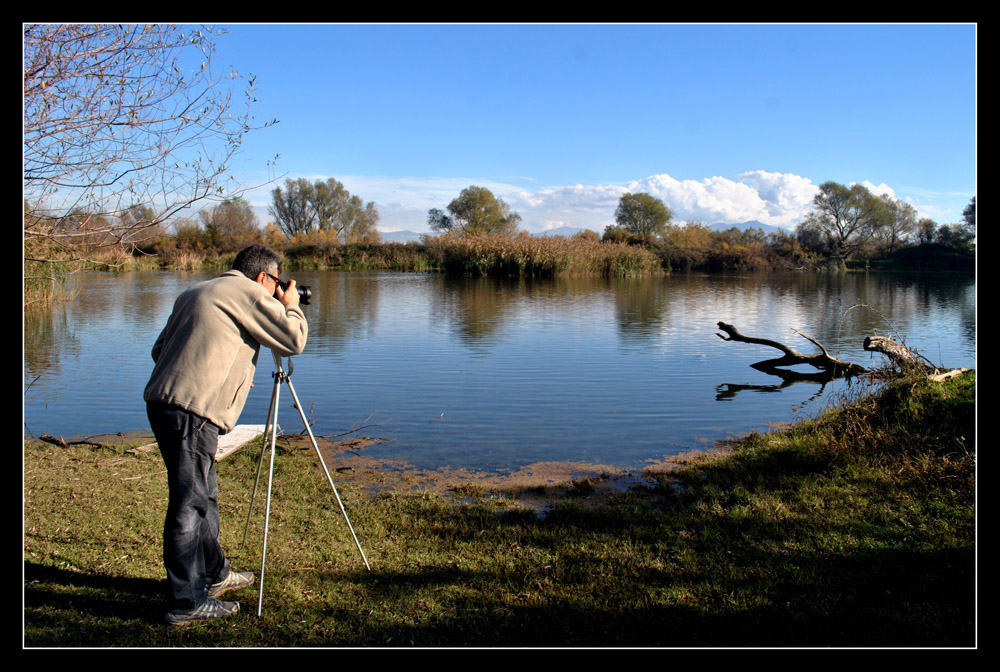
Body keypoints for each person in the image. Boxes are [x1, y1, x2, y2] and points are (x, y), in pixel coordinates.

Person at [144, 244, 308, 625]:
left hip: (165, 404)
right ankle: (186, 602)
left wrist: (226, 368)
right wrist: (292, 303)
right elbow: (293, 339)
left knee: (205, 493)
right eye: (276, 283)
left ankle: (215, 574)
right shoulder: (248, 293)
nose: (276, 291)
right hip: (192, 412)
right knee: (189, 503)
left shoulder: (198, 290)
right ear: (263, 277)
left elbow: (159, 351)